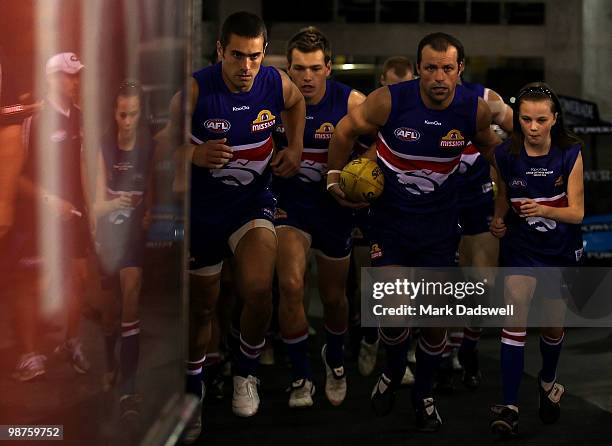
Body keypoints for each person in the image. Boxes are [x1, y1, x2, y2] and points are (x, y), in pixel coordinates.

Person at [327, 32, 500, 432]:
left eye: (447, 68)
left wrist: (512, 193)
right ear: (419, 67)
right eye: (430, 67)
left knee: (436, 320)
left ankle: (423, 394)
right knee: (395, 313)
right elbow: (343, 133)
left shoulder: (473, 111)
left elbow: (493, 151)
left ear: (460, 70)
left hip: (440, 228)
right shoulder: (389, 100)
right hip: (390, 223)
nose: (438, 76)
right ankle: (391, 367)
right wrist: (334, 181)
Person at [166, 11, 304, 443]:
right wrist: (192, 155)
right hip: (204, 212)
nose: (247, 67)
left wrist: (296, 146)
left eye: (255, 57)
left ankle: (246, 371)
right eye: (238, 56)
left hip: (252, 203)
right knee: (202, 307)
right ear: (220, 51)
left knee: (260, 287)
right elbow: (159, 149)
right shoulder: (193, 89)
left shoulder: (275, 83)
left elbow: (297, 102)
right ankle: (192, 391)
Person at [272, 26, 365, 408]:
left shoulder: (352, 102)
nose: (305, 77)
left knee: (334, 298)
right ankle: (300, 374)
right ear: (289, 69)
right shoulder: (273, 100)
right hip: (290, 209)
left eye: (313, 68)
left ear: (329, 67)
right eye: (298, 69)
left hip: (335, 211)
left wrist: (360, 185)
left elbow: (382, 149)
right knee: (292, 285)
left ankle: (335, 356)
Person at [489, 82, 584, 437]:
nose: (532, 127)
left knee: (551, 326)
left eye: (540, 120)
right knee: (514, 318)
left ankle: (548, 380)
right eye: (525, 119)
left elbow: (577, 213)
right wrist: (498, 219)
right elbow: (502, 195)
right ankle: (509, 407)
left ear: (554, 119)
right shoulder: (503, 153)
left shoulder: (570, 152)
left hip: (560, 248)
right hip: (520, 247)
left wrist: (543, 208)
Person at [17, 52, 91, 377]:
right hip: (36, 220)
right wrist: (49, 200)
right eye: (67, 75)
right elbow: (14, 175)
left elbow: (86, 169)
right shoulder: (34, 118)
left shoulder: (81, 116)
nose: (74, 82)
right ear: (51, 78)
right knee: (32, 284)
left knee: (78, 279)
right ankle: (30, 355)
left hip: (75, 217)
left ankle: (70, 342)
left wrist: (91, 210)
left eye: (76, 76)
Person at [93, 81, 154, 417]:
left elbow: (153, 186)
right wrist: (115, 200)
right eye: (122, 114)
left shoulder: (147, 145)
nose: (127, 120)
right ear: (114, 114)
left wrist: (148, 211)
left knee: (131, 300)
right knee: (109, 312)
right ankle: (108, 360)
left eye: (133, 114)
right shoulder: (101, 146)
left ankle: (129, 389)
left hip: (132, 234)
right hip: (106, 231)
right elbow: (94, 205)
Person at [357, 55, 414, 385]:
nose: (397, 92)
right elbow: (350, 148)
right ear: (381, 81)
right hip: (364, 206)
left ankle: (400, 357)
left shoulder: (417, 115)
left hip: (402, 210)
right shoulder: (369, 110)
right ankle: (367, 338)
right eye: (392, 85)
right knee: (367, 281)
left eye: (403, 86)